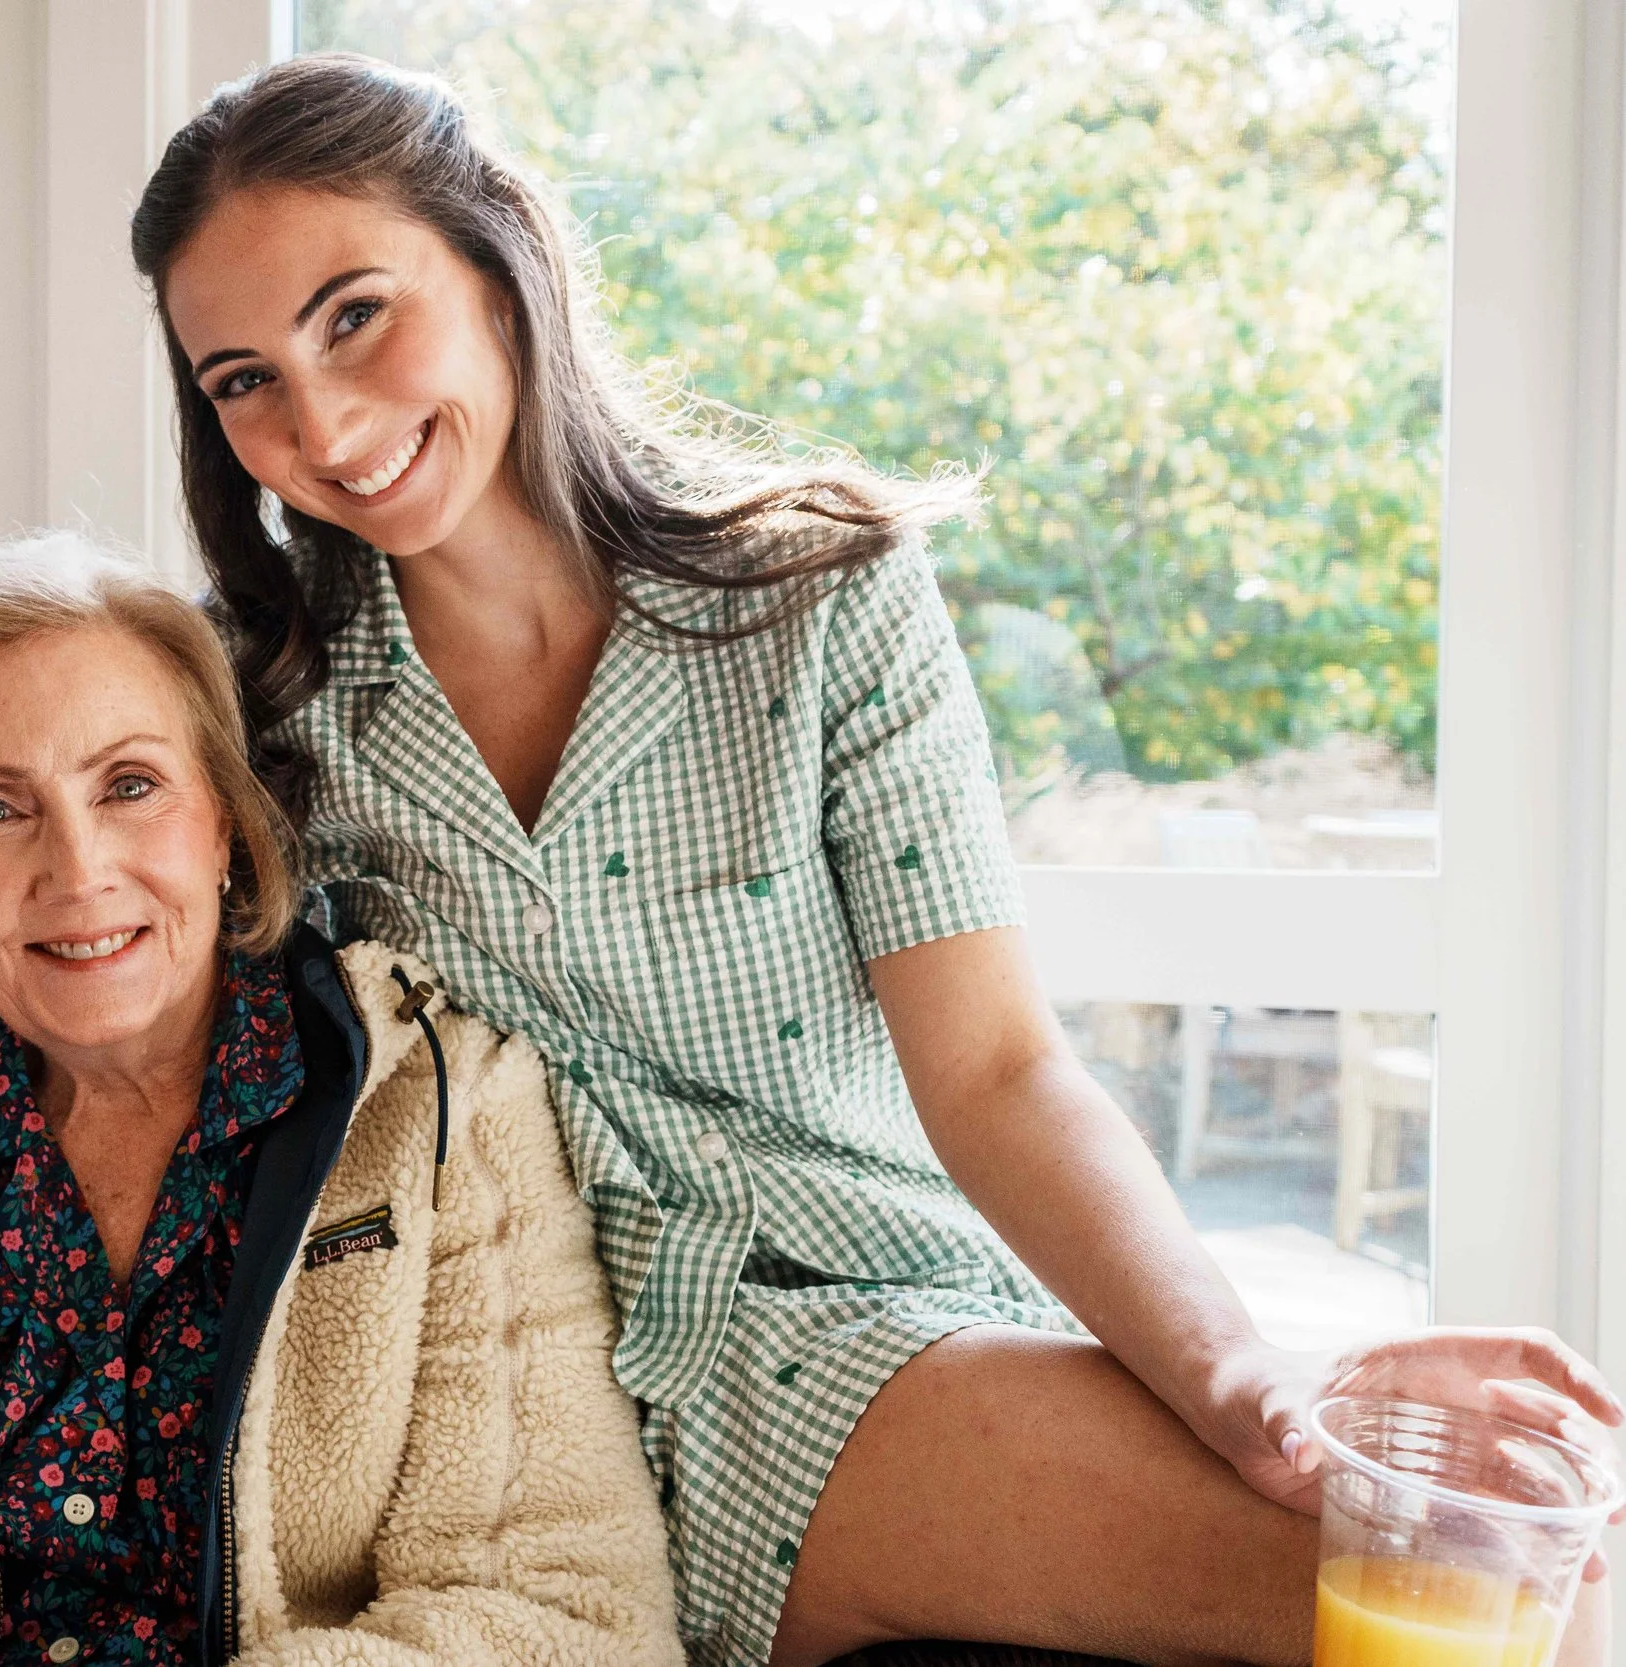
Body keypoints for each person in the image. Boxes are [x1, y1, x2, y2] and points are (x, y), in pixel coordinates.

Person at [129, 50, 1625, 1667]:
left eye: (355, 315)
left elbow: (996, 1072)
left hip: (910, 1297)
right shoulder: (257, 708)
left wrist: (1253, 1377)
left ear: (499, 265)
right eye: (243, 380)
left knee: (1529, 1560)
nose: (323, 422)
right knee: (1482, 1590)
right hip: (554, 1394)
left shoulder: (821, 588)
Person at [0, 536, 683, 1667]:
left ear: (226, 828)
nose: (79, 866)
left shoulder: (435, 1101)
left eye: (130, 784)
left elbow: (560, 1611)